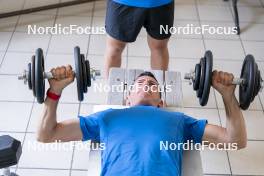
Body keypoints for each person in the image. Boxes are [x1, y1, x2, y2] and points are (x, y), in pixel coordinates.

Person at [37, 66, 247, 176]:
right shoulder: (107, 117)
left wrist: (228, 95)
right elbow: (47, 135)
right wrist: (54, 91)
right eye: (139, 82)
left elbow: (235, 141)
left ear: (161, 102)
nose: (146, 84)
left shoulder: (177, 120)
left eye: (152, 84)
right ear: (127, 98)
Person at [104, 0, 174, 78]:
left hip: (160, 2)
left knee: (159, 48)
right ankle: (111, 89)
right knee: (115, 49)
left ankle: (157, 88)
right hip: (122, 2)